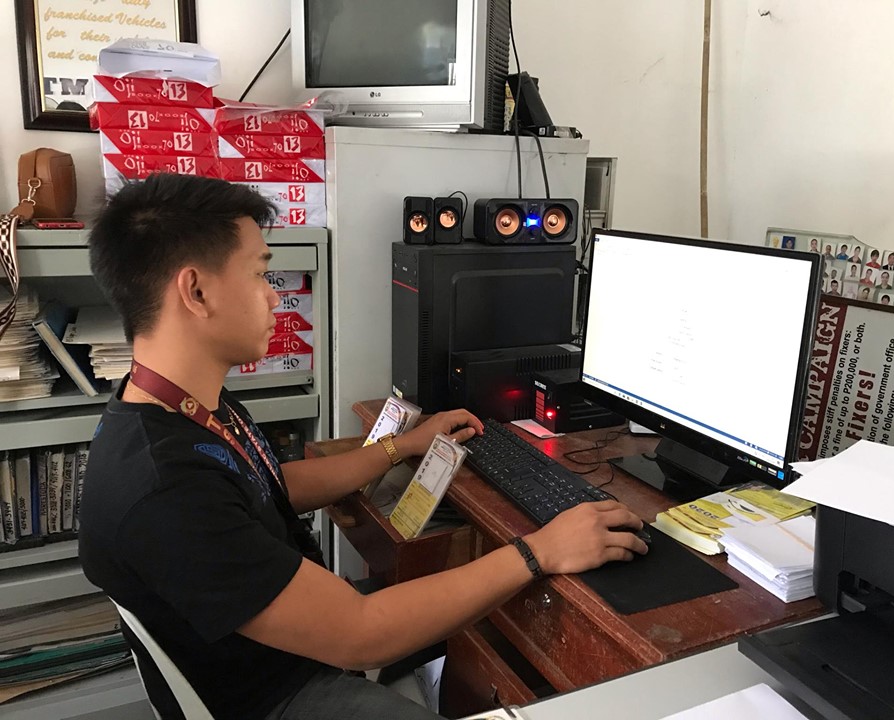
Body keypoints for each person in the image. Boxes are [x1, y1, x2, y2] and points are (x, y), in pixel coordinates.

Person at [77, 175, 648, 720]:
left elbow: (264, 484)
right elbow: (361, 633)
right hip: (278, 696)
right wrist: (540, 551)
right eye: (259, 274)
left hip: (286, 650)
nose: (274, 298)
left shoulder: (176, 404)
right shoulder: (164, 488)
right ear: (196, 291)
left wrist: (401, 446)